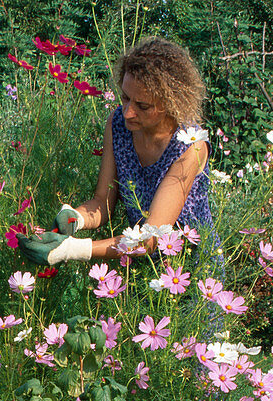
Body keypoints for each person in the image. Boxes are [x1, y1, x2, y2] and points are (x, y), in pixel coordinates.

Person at [20, 37, 216, 266]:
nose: (128, 112)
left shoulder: (191, 146)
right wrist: (77, 218)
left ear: (171, 102)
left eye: (142, 106)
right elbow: (103, 203)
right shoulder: (118, 125)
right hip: (140, 270)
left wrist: (74, 249)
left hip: (193, 272)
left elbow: (150, 239)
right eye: (125, 97)